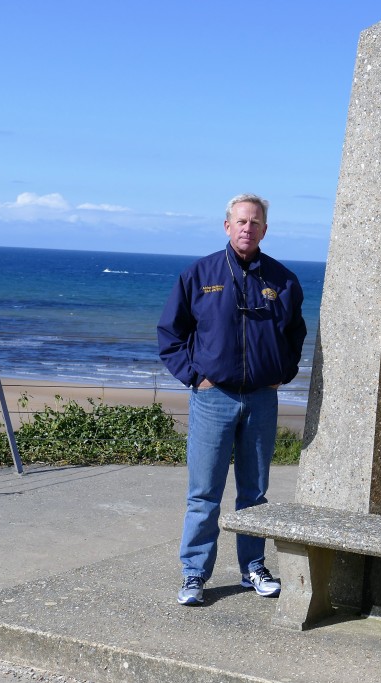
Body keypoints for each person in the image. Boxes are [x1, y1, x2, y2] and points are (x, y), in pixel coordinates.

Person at [157, 193, 306, 606]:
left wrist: (282, 375)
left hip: (261, 399)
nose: (247, 228)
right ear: (227, 226)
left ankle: (252, 568)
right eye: (241, 221)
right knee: (203, 494)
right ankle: (194, 573)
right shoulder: (199, 275)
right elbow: (170, 334)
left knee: (254, 494)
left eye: (255, 222)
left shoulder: (283, 280)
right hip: (213, 398)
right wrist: (194, 377)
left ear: (264, 229)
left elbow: (296, 335)